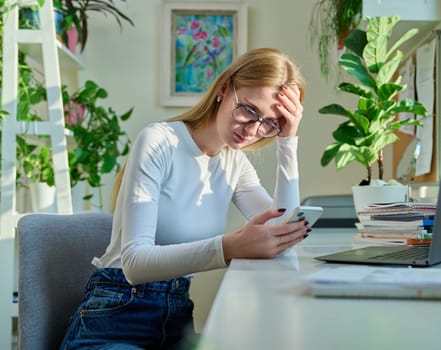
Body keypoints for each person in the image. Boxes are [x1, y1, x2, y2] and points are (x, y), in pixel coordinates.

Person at [60, 47, 309, 349]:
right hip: (115, 317)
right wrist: (229, 246)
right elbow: (135, 264)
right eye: (249, 110)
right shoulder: (160, 141)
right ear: (223, 88)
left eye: (270, 123)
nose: (254, 129)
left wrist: (288, 139)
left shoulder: (234, 164)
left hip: (175, 320)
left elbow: (284, 232)